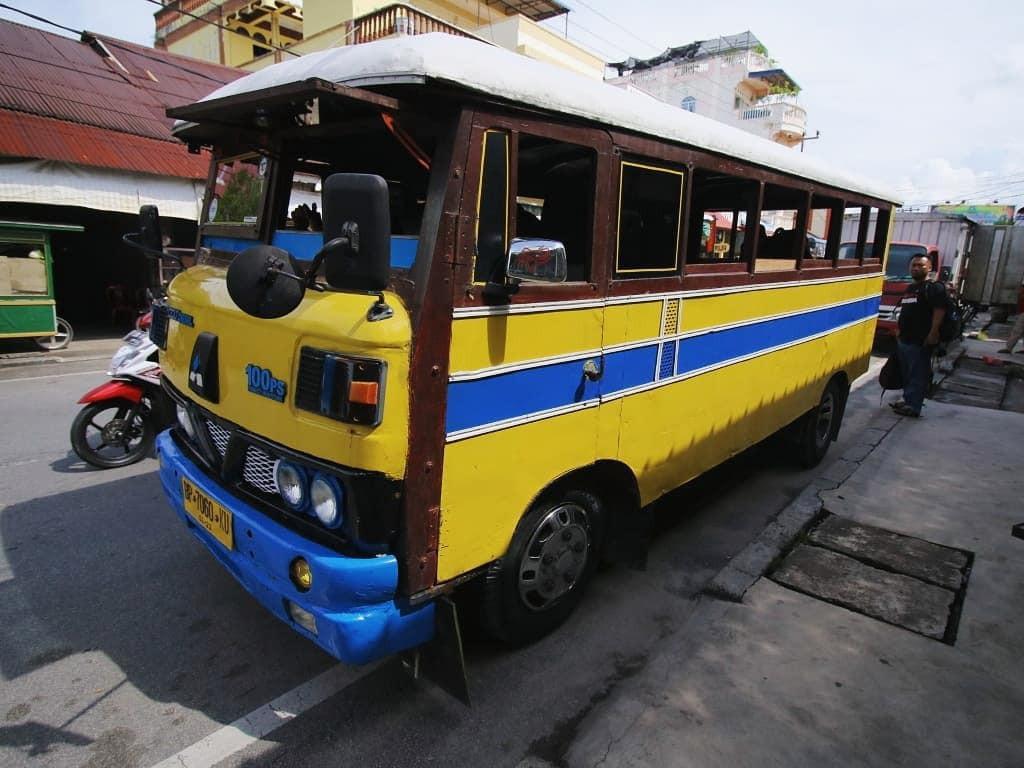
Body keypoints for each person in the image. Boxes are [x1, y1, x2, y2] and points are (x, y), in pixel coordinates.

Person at [892, 254, 947, 417]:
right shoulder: (911, 288)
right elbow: (906, 312)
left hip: (920, 340)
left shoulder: (934, 288)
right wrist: (899, 330)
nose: (916, 268)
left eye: (920, 266)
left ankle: (914, 406)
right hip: (905, 339)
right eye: (913, 265)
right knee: (907, 372)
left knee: (918, 373)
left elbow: (940, 310)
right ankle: (908, 399)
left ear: (929, 268)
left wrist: (933, 332)